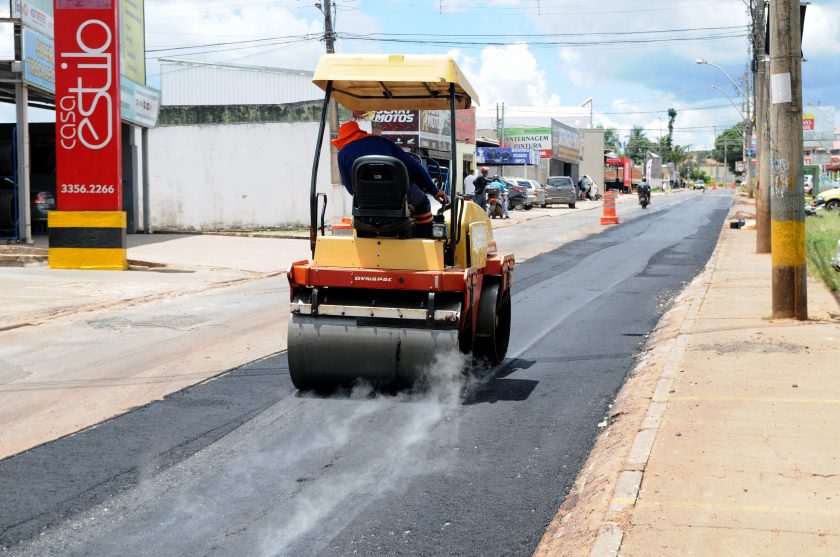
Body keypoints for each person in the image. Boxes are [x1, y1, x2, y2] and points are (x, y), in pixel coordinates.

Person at [333, 121, 449, 236]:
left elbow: (350, 188)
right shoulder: (382, 142)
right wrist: (434, 191)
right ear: (359, 132)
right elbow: (414, 166)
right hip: (397, 196)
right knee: (423, 202)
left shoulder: (342, 154)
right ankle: (425, 237)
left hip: (364, 203)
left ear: (342, 140)